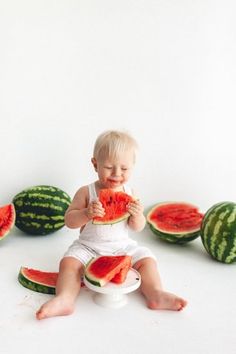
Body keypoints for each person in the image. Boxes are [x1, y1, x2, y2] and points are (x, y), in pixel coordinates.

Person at [36, 130, 187, 320]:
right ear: (95, 164)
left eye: (124, 169)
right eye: (108, 167)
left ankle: (156, 294)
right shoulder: (86, 192)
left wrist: (138, 215)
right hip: (88, 247)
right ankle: (65, 299)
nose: (116, 174)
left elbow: (137, 227)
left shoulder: (130, 193)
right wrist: (85, 213)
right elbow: (70, 221)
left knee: (147, 259)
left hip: (123, 248)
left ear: (132, 167)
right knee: (69, 263)